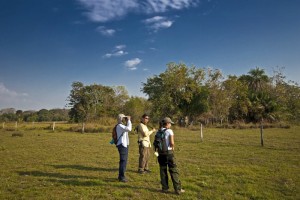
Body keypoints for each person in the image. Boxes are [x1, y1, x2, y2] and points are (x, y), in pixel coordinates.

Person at [157, 117, 185, 195]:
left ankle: (165, 188)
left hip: (160, 154)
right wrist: (173, 148)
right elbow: (172, 142)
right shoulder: (169, 131)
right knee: (173, 170)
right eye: (170, 124)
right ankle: (178, 189)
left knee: (163, 170)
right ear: (168, 123)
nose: (171, 125)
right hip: (168, 153)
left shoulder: (158, 131)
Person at [116, 113, 132, 182]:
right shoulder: (119, 126)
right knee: (123, 161)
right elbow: (129, 129)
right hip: (122, 145)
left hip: (124, 145)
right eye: (124, 118)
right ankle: (121, 177)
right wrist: (129, 120)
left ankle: (121, 176)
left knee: (124, 161)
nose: (125, 119)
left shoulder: (121, 125)